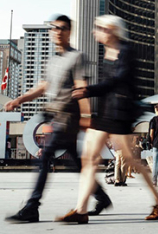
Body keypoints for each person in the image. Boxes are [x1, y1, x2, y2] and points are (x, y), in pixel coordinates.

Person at [56, 15, 158, 223]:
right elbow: (109, 85)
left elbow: (118, 81)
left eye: (99, 27)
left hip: (121, 115)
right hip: (106, 112)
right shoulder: (106, 53)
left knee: (132, 160)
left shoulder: (126, 51)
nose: (94, 31)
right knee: (89, 158)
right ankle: (81, 210)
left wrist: (87, 90)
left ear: (111, 30)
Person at [4, 15, 112, 223]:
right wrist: (20, 99)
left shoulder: (76, 57)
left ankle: (32, 206)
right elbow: (43, 87)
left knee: (45, 157)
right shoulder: (52, 60)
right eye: (54, 28)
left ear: (69, 31)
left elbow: (81, 87)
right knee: (76, 163)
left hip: (68, 118)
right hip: (55, 116)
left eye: (62, 28)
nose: (57, 31)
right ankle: (102, 197)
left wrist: (87, 118)